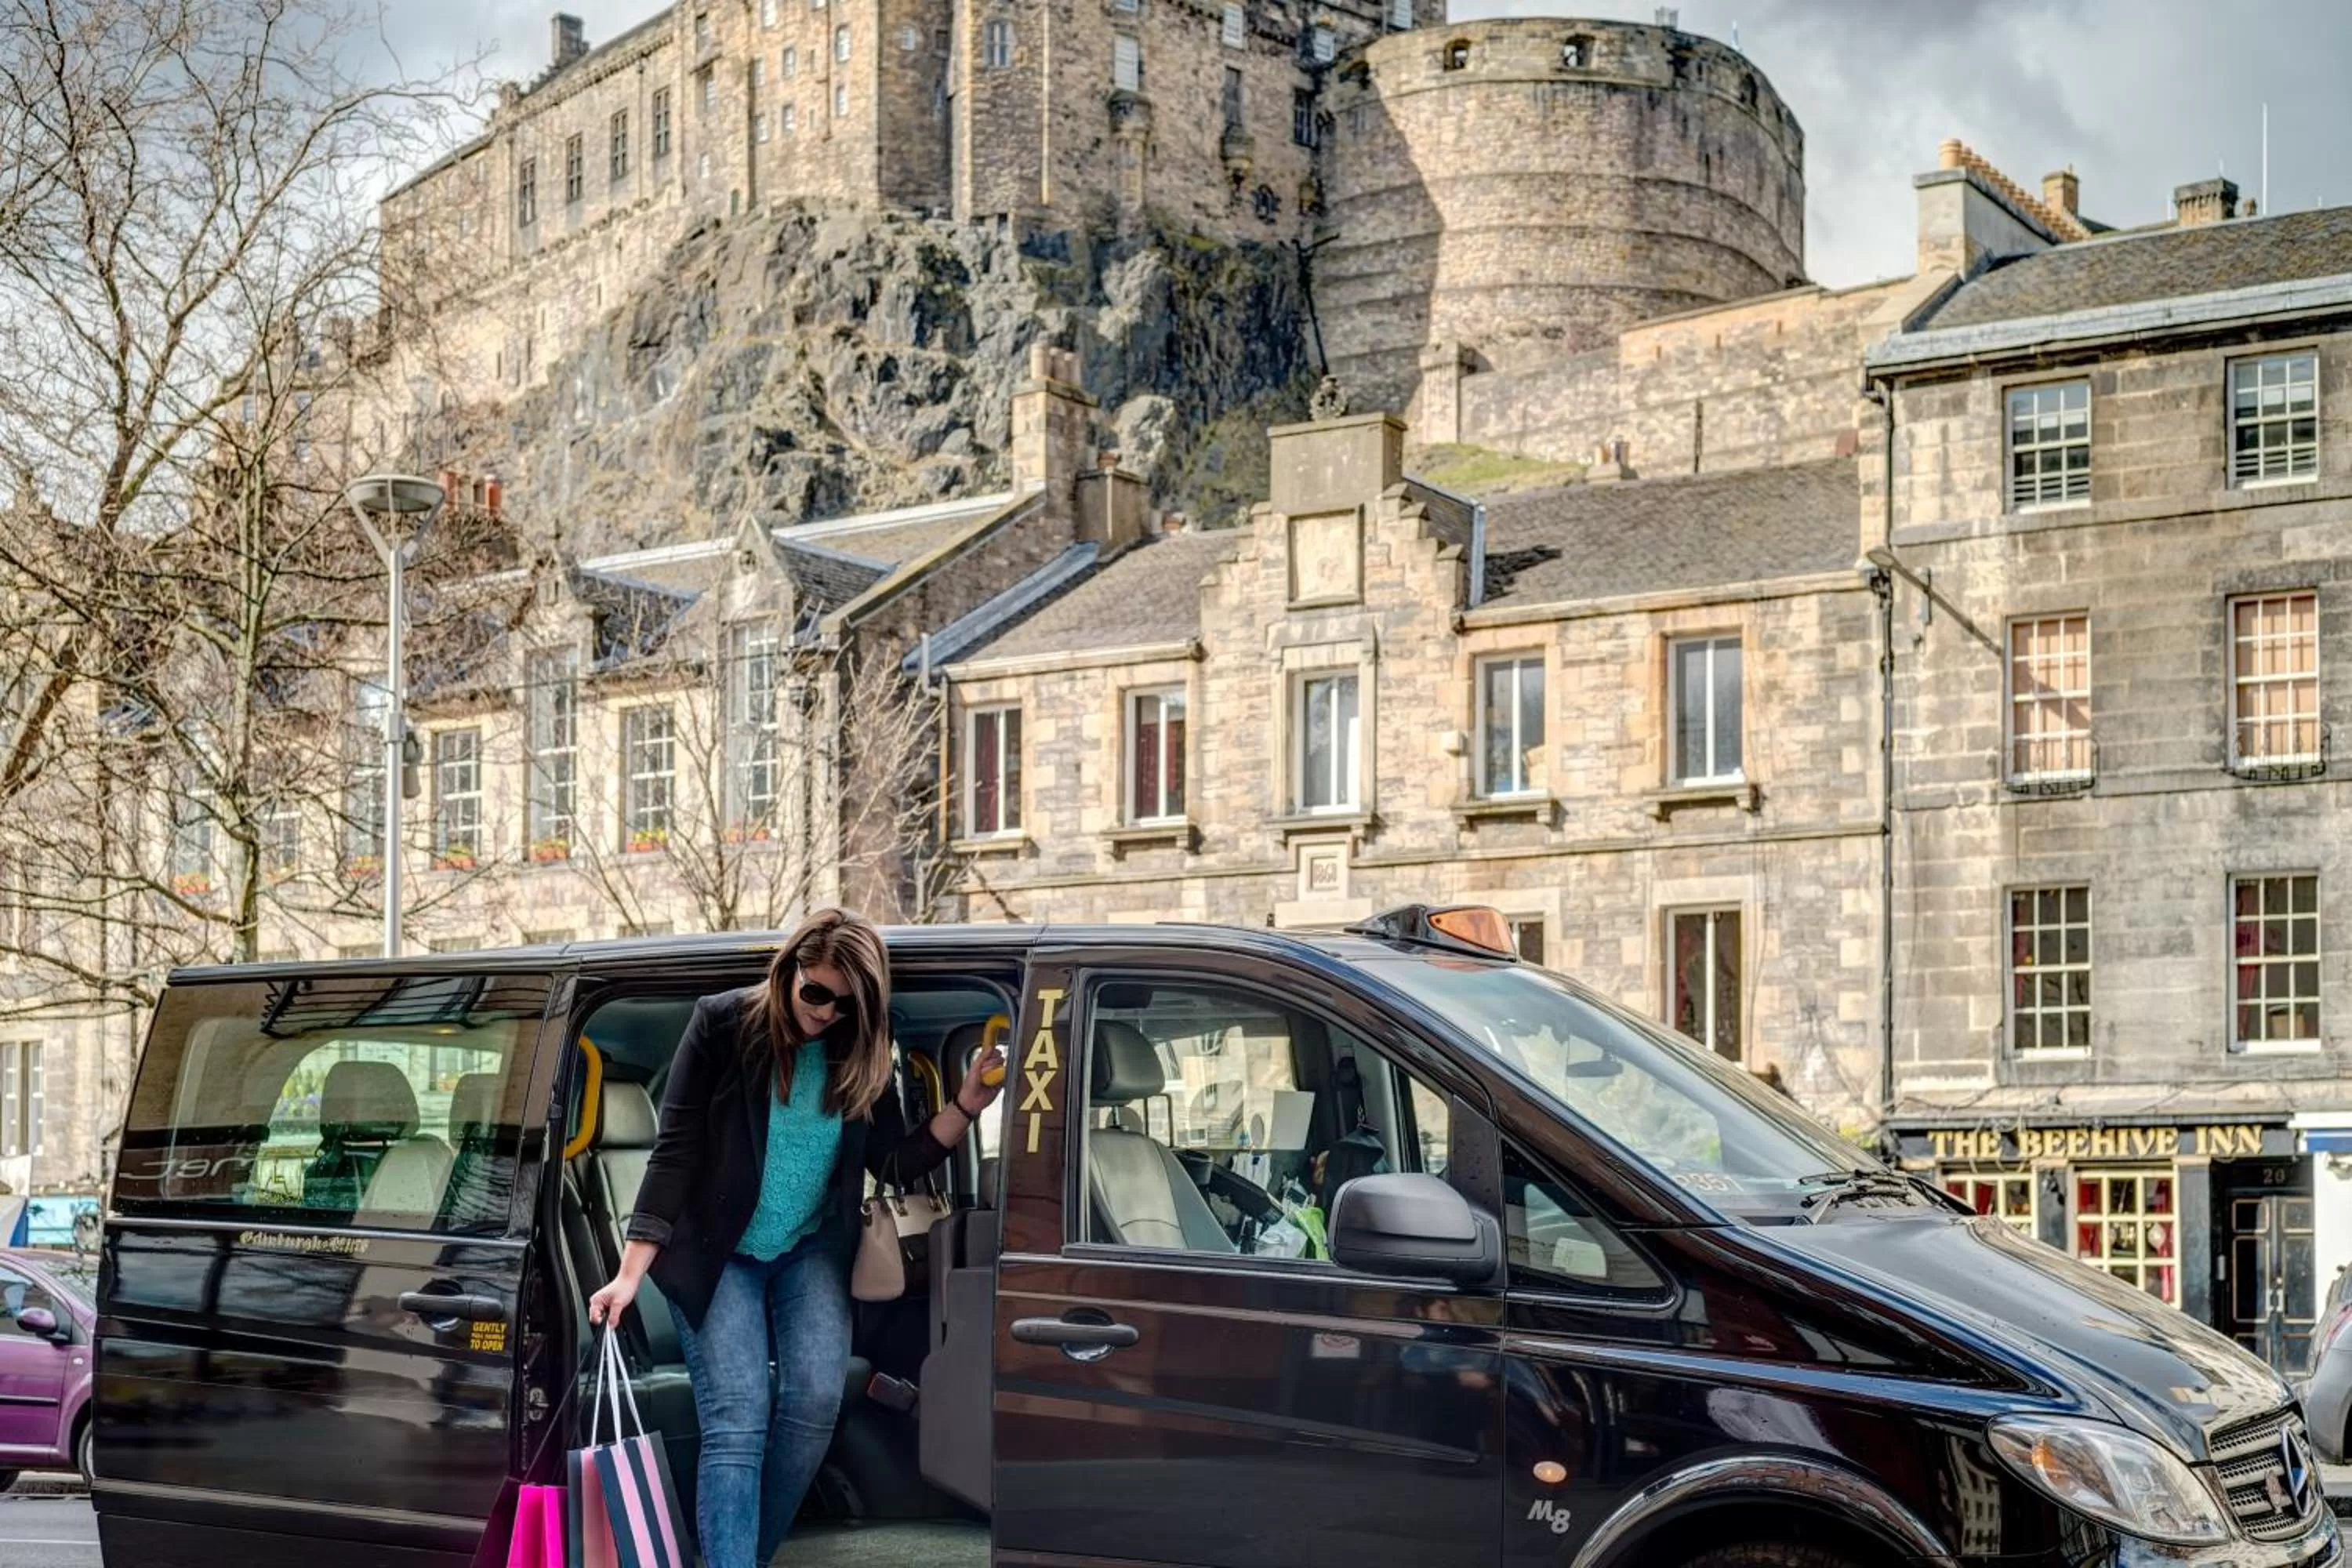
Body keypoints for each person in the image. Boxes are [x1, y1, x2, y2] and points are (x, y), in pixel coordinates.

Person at [589, 908, 1005, 1566]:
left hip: (810, 1246)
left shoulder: (862, 1042)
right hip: (719, 1254)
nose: (826, 1012)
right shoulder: (722, 1025)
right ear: (788, 974)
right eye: (816, 993)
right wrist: (630, 1272)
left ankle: (736, 1556)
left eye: (845, 1005)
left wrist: (965, 1109)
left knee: (814, 1404)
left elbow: (892, 1163)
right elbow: (675, 1155)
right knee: (738, 1421)